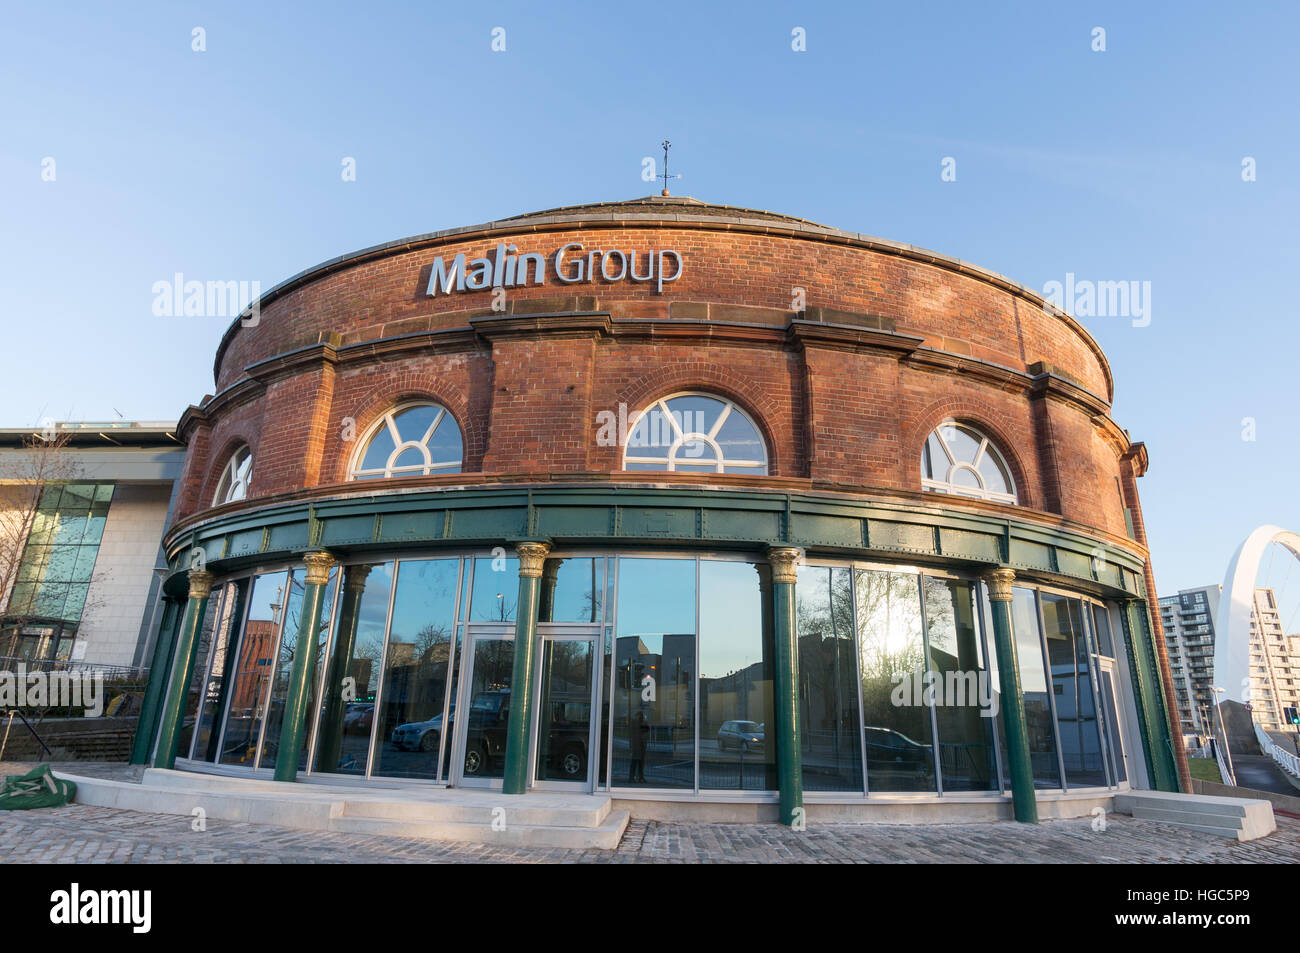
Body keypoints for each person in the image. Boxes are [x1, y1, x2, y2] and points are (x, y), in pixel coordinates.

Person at [628, 710, 649, 783]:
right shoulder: (636, 722)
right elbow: (644, 731)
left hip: (640, 744)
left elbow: (645, 731)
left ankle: (637, 777)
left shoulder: (639, 722)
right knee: (636, 761)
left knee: (639, 762)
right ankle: (635, 777)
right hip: (638, 744)